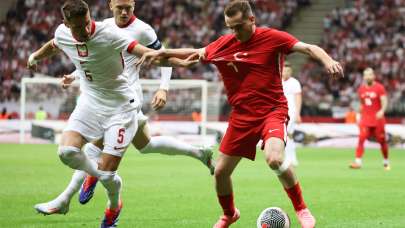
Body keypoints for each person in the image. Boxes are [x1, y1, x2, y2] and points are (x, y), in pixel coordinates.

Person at [138, 1, 344, 228]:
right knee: (220, 172)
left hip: (272, 111)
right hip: (241, 116)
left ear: (252, 20)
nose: (234, 32)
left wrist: (328, 60)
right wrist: (162, 53)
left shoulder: (273, 38)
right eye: (230, 27)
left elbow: (309, 48)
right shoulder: (223, 44)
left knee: (274, 158)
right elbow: (190, 57)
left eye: (238, 26)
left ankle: (301, 208)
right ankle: (229, 214)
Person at [33, 0, 214, 218]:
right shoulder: (102, 26)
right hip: (97, 97)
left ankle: (76, 193)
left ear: (134, 5)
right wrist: (72, 74)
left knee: (94, 151)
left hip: (125, 100)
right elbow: (89, 58)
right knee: (146, 145)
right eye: (120, 7)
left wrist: (164, 87)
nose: (124, 11)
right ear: (111, 5)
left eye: (128, 7)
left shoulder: (140, 30)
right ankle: (200, 152)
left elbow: (159, 55)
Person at [350, 68, 390, 170]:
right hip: (366, 119)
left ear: (374, 76)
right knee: (361, 139)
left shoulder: (379, 88)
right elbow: (362, 104)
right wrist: (358, 116)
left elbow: (384, 100)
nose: (368, 77)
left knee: (382, 141)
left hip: (377, 119)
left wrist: (382, 110)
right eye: (366, 75)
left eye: (370, 74)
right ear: (364, 77)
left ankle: (386, 160)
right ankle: (358, 162)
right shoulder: (361, 89)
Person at [282, 61, 302, 166]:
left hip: (291, 112)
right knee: (286, 135)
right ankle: (291, 158)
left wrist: (298, 114)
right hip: (280, 112)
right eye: (285, 70)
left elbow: (298, 99)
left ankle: (289, 159)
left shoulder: (295, 82)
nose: (287, 72)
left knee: (288, 135)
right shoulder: (277, 81)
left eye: (289, 70)